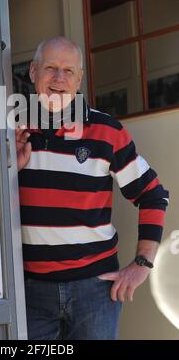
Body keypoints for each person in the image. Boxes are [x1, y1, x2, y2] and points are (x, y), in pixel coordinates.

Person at [15, 36, 169, 340]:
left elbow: (152, 194)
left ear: (79, 79)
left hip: (95, 292)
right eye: (50, 68)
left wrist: (142, 263)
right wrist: (10, 169)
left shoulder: (106, 131)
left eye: (68, 71)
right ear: (33, 72)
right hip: (31, 293)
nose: (59, 78)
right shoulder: (12, 130)